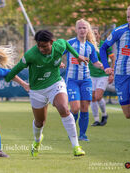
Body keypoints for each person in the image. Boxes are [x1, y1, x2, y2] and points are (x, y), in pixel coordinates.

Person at [5, 29, 87, 157]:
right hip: (37, 90)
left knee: (64, 108)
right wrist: (16, 81)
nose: (41, 49)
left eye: (44, 46)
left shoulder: (58, 46)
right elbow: (13, 71)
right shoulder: (31, 55)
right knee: (40, 122)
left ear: (52, 42)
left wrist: (77, 56)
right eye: (38, 46)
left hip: (55, 84)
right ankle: (37, 141)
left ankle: (76, 146)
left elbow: (66, 43)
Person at [100, 4, 130, 154]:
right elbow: (103, 48)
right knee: (128, 114)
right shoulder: (119, 31)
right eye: (128, 17)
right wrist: (106, 66)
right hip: (120, 76)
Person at [64, 19, 103, 142]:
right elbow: (58, 53)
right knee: (75, 108)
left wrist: (103, 66)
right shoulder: (69, 43)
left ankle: (83, 135)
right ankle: (71, 132)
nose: (82, 30)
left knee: (85, 108)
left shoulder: (90, 46)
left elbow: (95, 62)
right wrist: (58, 62)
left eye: (84, 28)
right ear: (76, 30)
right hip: (72, 80)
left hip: (86, 80)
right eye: (80, 28)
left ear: (88, 30)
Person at [89, 27, 116, 126]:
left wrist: (111, 73)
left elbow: (113, 58)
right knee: (92, 98)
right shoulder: (88, 45)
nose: (94, 35)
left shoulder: (104, 45)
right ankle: (96, 119)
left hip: (103, 74)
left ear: (99, 35)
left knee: (98, 96)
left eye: (95, 33)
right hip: (91, 75)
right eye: (92, 33)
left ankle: (104, 115)